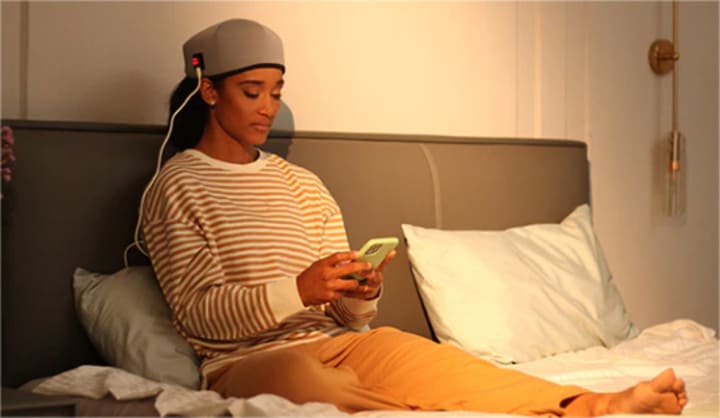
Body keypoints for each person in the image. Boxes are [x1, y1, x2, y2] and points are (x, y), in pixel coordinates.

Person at [142, 18, 688, 416]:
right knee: (311, 383)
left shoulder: (302, 184)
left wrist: (359, 292)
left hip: (341, 343)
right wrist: (300, 289)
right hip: (246, 361)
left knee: (441, 364)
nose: (268, 106)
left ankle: (591, 405)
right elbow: (198, 315)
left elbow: (348, 319)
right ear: (208, 90)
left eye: (276, 92)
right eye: (251, 92)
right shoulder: (178, 185)